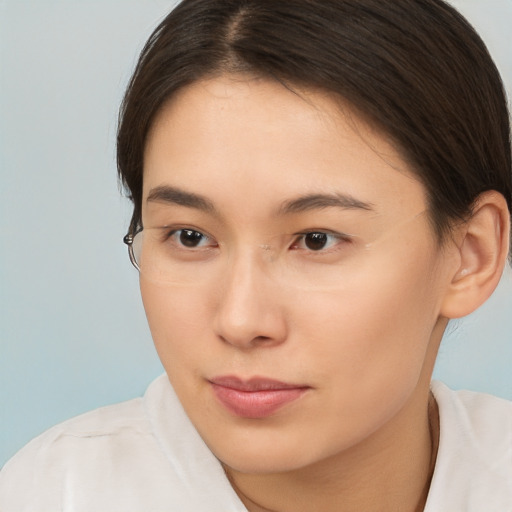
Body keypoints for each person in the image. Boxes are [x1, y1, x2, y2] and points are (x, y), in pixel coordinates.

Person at [1, 0, 511, 510]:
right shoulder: (54, 494)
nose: (241, 321)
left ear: (471, 255)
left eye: (316, 240)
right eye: (189, 237)